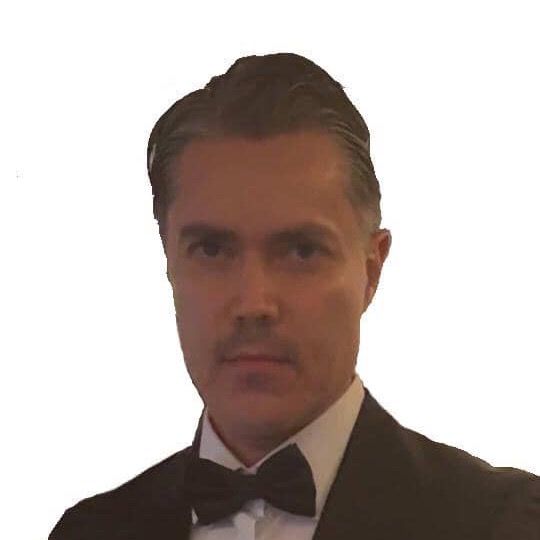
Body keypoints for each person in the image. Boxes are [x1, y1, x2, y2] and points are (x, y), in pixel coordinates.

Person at [49, 52, 539, 539]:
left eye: (302, 251)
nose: (254, 304)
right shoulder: (89, 532)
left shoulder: (505, 524)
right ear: (169, 262)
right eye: (212, 249)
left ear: (371, 269)